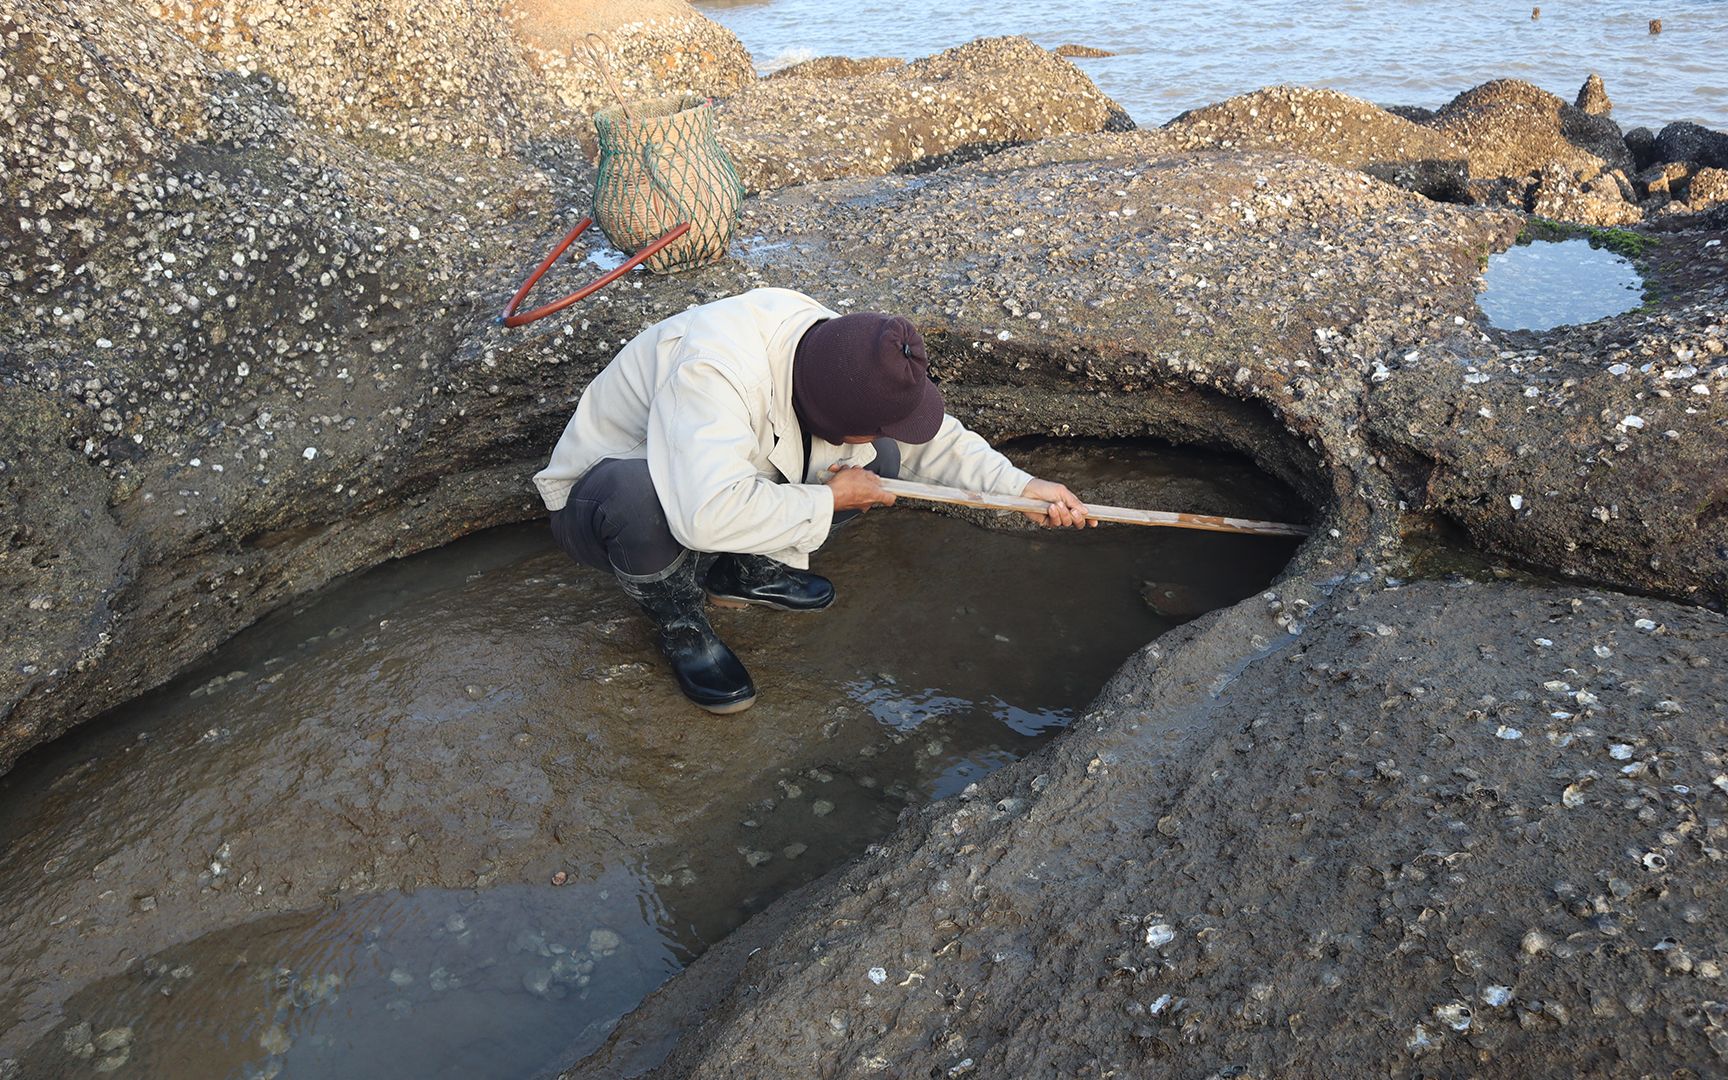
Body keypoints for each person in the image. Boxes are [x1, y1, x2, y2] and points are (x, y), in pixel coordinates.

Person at [533, 287, 1092, 714]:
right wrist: (826, 502)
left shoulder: (838, 347)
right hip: (605, 497)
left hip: (719, 475)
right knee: (641, 502)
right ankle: (683, 625)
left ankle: (739, 570)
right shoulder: (713, 371)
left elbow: (934, 438)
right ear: (830, 415)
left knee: (887, 462)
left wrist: (1020, 487)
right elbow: (702, 513)